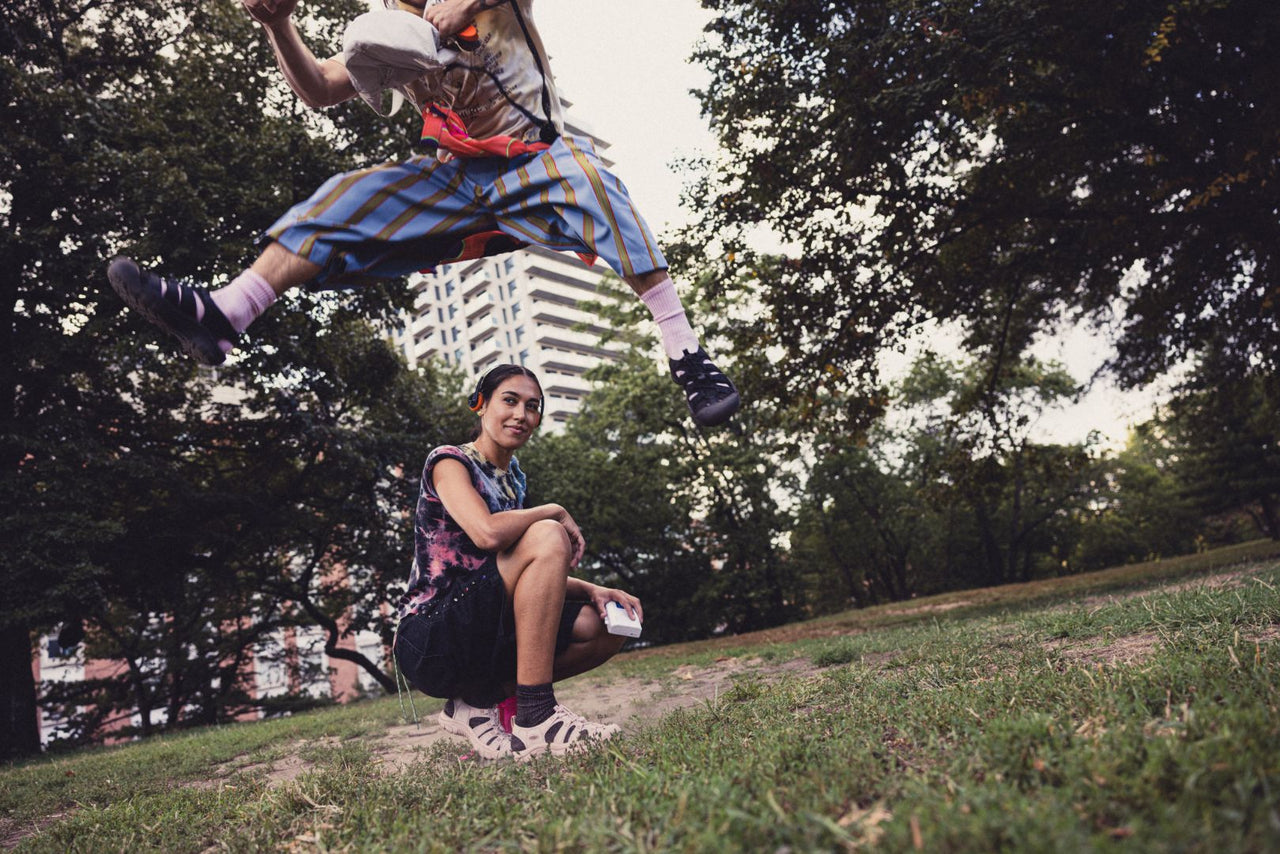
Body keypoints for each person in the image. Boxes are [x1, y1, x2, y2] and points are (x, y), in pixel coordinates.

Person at [106, 0, 740, 428]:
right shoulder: (387, 30)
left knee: (595, 183)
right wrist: (279, 25)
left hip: (536, 153)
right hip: (458, 176)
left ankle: (687, 354)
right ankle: (227, 312)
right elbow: (321, 89)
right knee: (345, 200)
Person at [393, 363, 641, 760]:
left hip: (487, 627)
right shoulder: (449, 462)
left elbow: (518, 572)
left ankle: (478, 701)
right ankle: (537, 716)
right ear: (480, 404)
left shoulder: (514, 481)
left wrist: (595, 590)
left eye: (532, 406)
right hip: (433, 636)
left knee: (605, 625)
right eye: (509, 400)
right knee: (548, 533)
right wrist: (554, 511)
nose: (521, 414)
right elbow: (487, 534)